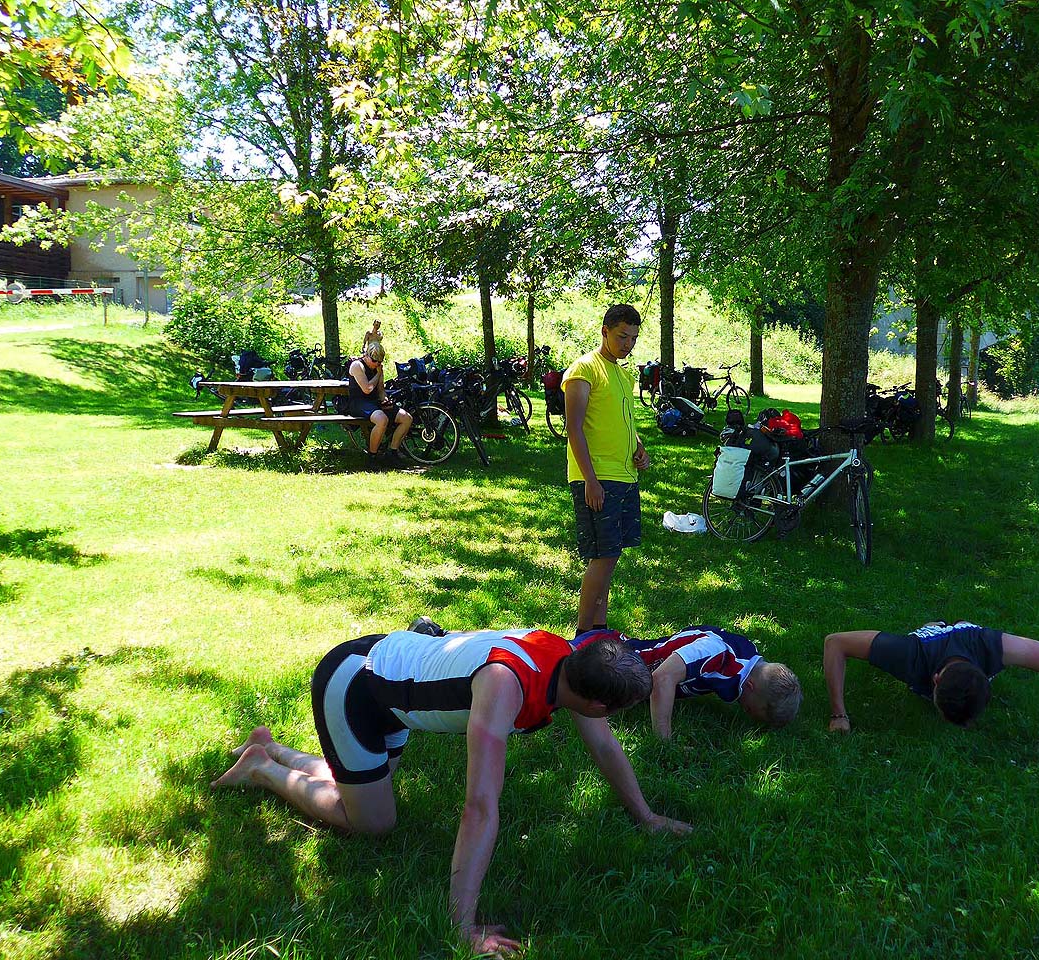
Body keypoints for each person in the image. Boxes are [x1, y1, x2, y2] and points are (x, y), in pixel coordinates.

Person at [212, 627, 691, 956]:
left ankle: (271, 748)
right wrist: (462, 926)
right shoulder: (505, 687)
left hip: (390, 680)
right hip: (355, 686)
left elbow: (605, 747)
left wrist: (647, 817)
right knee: (372, 821)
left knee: (366, 787)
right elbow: (479, 808)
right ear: (597, 703)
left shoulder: (569, 663)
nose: (609, 721)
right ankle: (262, 769)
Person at [822, 620, 1039, 752]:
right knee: (932, 630)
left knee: (963, 626)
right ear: (934, 680)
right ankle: (935, 625)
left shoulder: (994, 647)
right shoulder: (909, 655)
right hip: (929, 642)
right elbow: (835, 642)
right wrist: (838, 715)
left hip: (968, 633)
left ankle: (949, 624)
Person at [564, 304, 648, 635]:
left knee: (610, 557)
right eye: (622, 336)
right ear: (605, 331)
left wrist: (639, 448)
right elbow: (574, 428)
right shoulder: (584, 369)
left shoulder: (624, 375)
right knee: (602, 557)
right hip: (598, 477)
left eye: (633, 338)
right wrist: (590, 480)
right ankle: (583, 635)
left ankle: (599, 629)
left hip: (625, 476)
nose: (628, 344)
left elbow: (624, 421)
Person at [579, 625, 801, 738]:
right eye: (750, 710)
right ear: (750, 687)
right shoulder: (715, 652)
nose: (745, 710)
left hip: (613, 658)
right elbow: (662, 678)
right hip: (604, 657)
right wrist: (663, 741)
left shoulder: (748, 657)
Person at [348, 322, 411, 466]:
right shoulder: (357, 365)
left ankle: (392, 452)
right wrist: (378, 374)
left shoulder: (377, 367)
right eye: (375, 362)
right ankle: (372, 457)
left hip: (374, 402)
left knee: (406, 418)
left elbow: (380, 389)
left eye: (380, 362)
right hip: (359, 402)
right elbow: (367, 388)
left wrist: (385, 400)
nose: (377, 364)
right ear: (368, 356)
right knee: (382, 419)